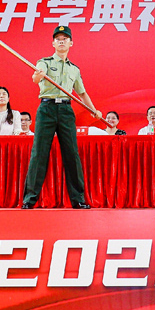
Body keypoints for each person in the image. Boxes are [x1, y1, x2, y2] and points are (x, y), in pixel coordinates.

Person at [22, 26, 101, 210]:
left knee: (71, 154)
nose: (61, 41)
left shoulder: (74, 70)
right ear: (53, 43)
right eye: (58, 39)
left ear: (71, 43)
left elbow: (82, 93)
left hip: (66, 110)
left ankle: (78, 200)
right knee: (39, 153)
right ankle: (29, 199)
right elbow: (35, 77)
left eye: (65, 39)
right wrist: (38, 75)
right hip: (47, 109)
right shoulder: (44, 62)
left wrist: (94, 110)